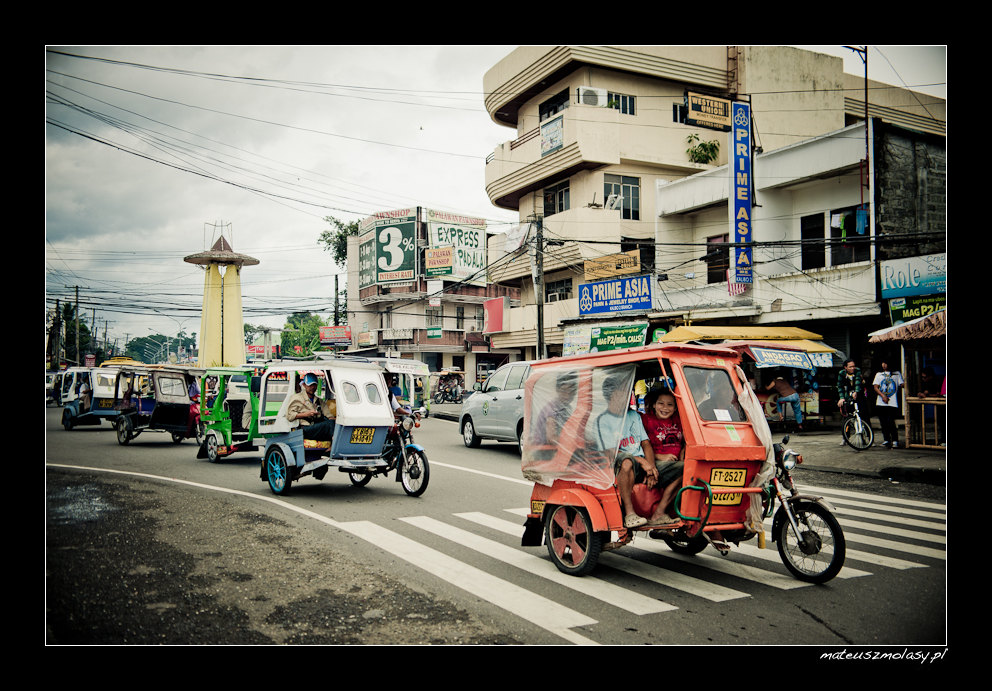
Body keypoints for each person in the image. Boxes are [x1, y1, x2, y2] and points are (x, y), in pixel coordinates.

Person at [595, 372, 656, 529]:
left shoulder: (634, 415)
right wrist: (641, 461)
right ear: (610, 395)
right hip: (618, 464)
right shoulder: (603, 419)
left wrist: (651, 468)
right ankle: (629, 513)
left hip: (641, 464)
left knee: (680, 468)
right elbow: (610, 452)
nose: (627, 396)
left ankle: (661, 513)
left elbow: (646, 443)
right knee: (627, 461)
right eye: (622, 392)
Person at [639, 388, 685, 526]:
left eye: (670, 405)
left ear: (675, 408)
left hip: (676, 464)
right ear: (654, 405)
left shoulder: (678, 420)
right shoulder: (646, 420)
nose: (665, 408)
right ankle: (659, 513)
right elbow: (640, 445)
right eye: (661, 403)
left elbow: (686, 441)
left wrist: (683, 454)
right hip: (656, 462)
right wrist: (660, 456)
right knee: (686, 469)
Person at [286, 373, 336, 441]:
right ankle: (334, 442)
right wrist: (306, 414)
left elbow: (329, 416)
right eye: (310, 385)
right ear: (304, 385)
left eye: (314, 385)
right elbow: (289, 416)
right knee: (329, 424)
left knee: (332, 422)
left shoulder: (319, 401)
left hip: (316, 428)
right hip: (305, 429)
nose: (312, 387)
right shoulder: (296, 398)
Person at [532, 371, 577, 445]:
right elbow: (552, 438)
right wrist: (575, 442)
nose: (567, 395)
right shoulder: (552, 409)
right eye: (564, 391)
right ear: (557, 390)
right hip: (544, 449)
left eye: (571, 391)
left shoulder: (567, 408)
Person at [872, 360, 904, 448]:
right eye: (883, 363)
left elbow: (902, 385)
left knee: (891, 422)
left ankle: (895, 440)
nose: (884, 365)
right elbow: (876, 387)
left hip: (892, 402)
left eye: (885, 363)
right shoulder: (879, 374)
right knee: (883, 422)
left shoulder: (896, 374)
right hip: (881, 402)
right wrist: (883, 396)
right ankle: (886, 439)